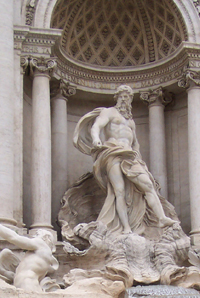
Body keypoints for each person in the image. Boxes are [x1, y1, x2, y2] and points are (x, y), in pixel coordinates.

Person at [73, 85, 175, 235]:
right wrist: (96, 139)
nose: (124, 99)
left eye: (127, 96)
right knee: (119, 191)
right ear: (117, 97)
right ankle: (126, 227)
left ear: (130, 100)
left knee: (148, 185)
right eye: (121, 96)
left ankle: (161, 218)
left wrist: (139, 159)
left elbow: (135, 144)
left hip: (131, 156)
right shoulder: (109, 112)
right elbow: (96, 126)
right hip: (112, 152)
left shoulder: (131, 122)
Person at [0, 209, 59, 292]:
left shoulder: (41, 244)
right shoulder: (41, 257)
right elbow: (18, 275)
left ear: (46, 238)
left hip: (27, 286)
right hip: (28, 286)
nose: (34, 237)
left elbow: (13, 237)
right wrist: (0, 270)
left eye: (37, 234)